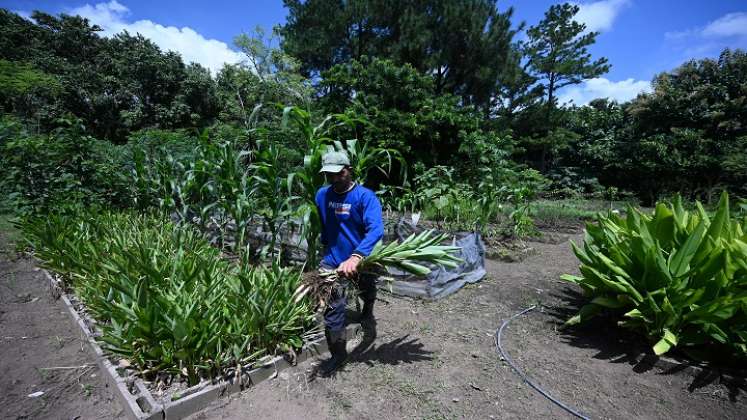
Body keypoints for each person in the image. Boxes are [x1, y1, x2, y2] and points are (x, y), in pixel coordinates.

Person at [315, 150, 384, 375]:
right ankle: (338, 354)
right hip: (333, 260)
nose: (335, 179)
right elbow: (326, 224)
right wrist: (328, 249)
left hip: (362, 259)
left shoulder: (365, 197)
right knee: (333, 309)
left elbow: (376, 229)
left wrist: (356, 256)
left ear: (349, 170)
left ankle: (368, 311)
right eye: (330, 175)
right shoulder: (321, 195)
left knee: (367, 288)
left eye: (339, 174)